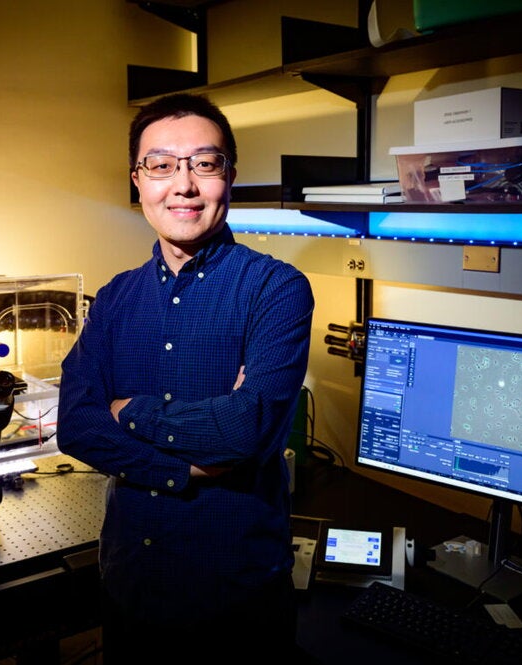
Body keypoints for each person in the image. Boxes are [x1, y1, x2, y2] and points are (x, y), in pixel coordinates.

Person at [56, 92, 315, 663]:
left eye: (205, 163)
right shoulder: (116, 297)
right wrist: (186, 466)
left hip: (236, 602)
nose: (184, 184)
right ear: (138, 182)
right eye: (161, 165)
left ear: (230, 176)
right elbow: (74, 424)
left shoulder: (276, 290)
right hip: (130, 589)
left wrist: (127, 412)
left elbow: (244, 431)